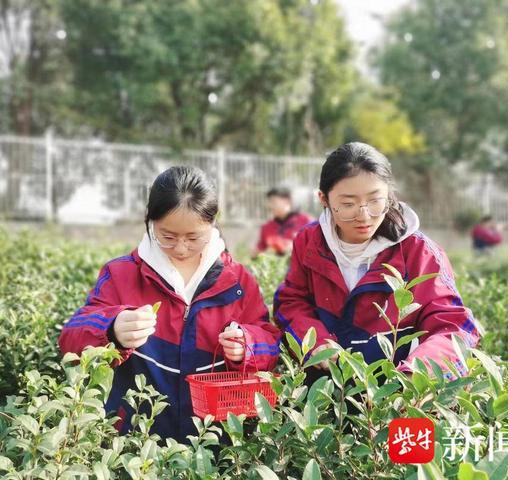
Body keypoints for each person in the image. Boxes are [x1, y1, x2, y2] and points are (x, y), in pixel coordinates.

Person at [59, 166, 280, 441]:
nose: (181, 248)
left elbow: (271, 346)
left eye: (193, 238)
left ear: (212, 224)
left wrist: (247, 345)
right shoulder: (121, 275)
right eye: (168, 236)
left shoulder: (237, 281)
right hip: (137, 442)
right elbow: (70, 339)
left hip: (213, 443)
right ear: (150, 221)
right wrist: (111, 328)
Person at [274, 142, 480, 381]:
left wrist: (418, 376)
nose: (364, 215)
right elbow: (291, 302)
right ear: (324, 199)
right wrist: (315, 342)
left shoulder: (418, 251)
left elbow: (453, 326)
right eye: (348, 204)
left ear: (390, 194)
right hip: (324, 391)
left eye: (375, 201)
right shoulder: (310, 241)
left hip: (396, 394)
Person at [252, 187, 313, 258]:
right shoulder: (266, 227)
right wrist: (256, 253)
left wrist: (296, 248)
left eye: (273, 202)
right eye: (269, 202)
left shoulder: (306, 221)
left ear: (287, 201)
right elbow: (259, 250)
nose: (270, 206)